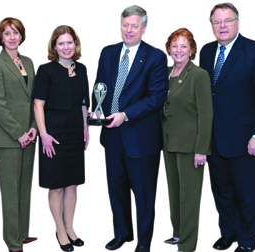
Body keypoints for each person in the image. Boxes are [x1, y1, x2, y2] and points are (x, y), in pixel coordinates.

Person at [199, 3, 255, 252]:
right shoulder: (207, 51)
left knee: (247, 195)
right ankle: (229, 232)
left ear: (237, 23)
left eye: (227, 21)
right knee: (222, 192)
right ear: (212, 25)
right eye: (217, 22)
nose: (222, 26)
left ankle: (247, 240)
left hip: (246, 139)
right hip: (215, 139)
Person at [92, 5, 168, 252]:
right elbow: (100, 86)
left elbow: (156, 97)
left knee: (144, 195)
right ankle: (122, 233)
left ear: (143, 28)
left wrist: (125, 115)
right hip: (111, 136)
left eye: (135, 26)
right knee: (117, 190)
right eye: (125, 24)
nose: (129, 30)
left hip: (140, 137)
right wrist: (97, 109)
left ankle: (143, 243)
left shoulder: (156, 57)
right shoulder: (108, 53)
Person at [33, 25, 90, 252]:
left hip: (75, 133)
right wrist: (44, 134)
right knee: (56, 186)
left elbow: (84, 102)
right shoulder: (46, 70)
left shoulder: (83, 68)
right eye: (61, 43)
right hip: (53, 135)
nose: (66, 47)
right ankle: (59, 229)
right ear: (54, 46)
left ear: (75, 44)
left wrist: (86, 128)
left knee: (72, 183)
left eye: (70, 42)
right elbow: (38, 104)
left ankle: (70, 227)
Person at [0, 17, 37, 252]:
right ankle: (13, 243)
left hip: (30, 136)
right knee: (10, 193)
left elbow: (34, 99)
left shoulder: (28, 62)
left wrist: (34, 126)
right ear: (1, 38)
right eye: (7, 33)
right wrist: (19, 133)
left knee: (24, 188)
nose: (12, 37)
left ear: (21, 36)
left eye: (16, 32)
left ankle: (22, 233)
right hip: (7, 139)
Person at [161, 28, 213, 252]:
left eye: (184, 46)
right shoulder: (165, 73)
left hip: (191, 146)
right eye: (175, 46)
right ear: (169, 49)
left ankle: (187, 245)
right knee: (174, 192)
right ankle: (178, 233)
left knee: (189, 197)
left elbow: (206, 114)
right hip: (168, 143)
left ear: (191, 49)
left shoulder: (199, 75)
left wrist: (202, 149)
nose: (179, 50)